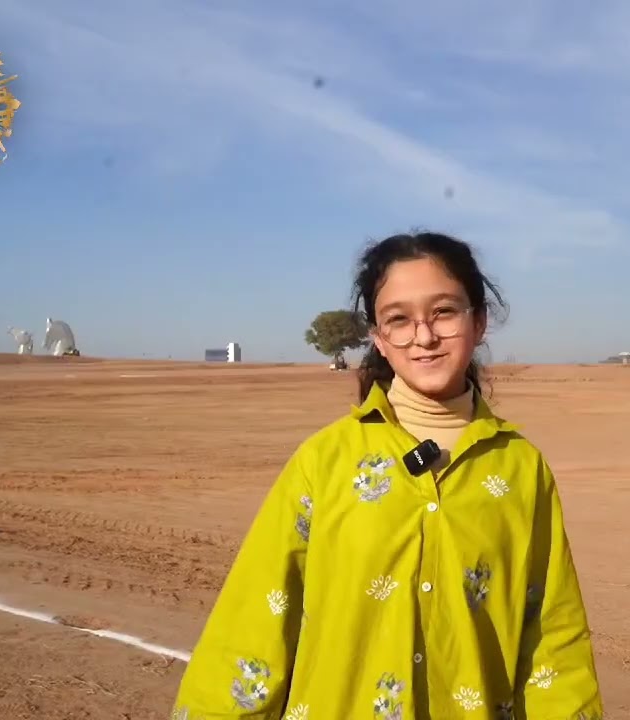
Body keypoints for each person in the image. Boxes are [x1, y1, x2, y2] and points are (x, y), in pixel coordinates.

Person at [170, 232, 603, 719]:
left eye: (443, 312)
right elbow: (255, 621)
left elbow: (552, 635)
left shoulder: (522, 468)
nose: (423, 337)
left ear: (478, 321)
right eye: (399, 320)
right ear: (378, 337)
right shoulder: (324, 461)